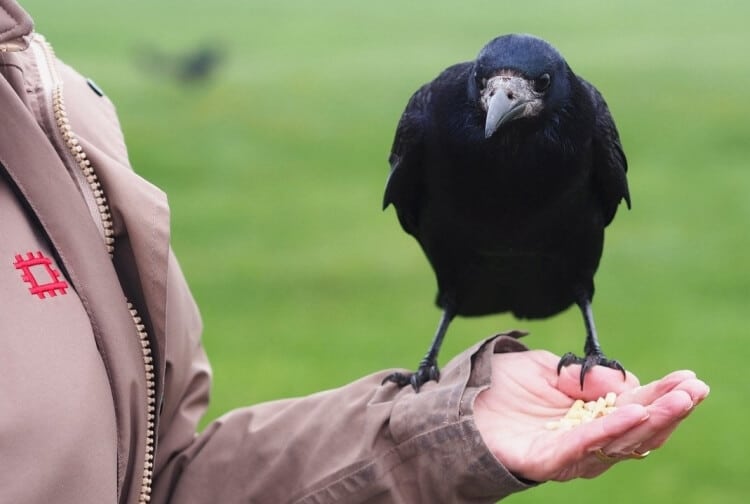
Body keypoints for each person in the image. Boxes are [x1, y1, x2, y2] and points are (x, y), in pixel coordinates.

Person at [0, 2, 709, 502]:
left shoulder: (46, 103)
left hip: (564, 263)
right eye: (491, 89)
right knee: (457, 282)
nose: (501, 104)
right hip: (460, 259)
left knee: (572, 265)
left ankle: (579, 330)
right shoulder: (434, 115)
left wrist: (437, 432)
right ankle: (436, 347)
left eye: (524, 92)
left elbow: (163, 479)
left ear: (555, 94)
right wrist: (433, 384)